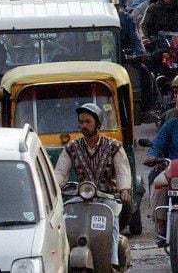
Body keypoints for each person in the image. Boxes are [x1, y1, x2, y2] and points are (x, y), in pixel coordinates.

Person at [54, 103, 132, 268]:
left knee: (113, 220)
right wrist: (55, 187)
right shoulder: (71, 147)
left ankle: (113, 262)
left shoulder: (114, 146)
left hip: (108, 197)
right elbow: (61, 172)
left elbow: (122, 170)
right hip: (81, 198)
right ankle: (63, 260)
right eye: (81, 122)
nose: (83, 125)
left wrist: (124, 189)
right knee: (63, 221)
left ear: (98, 124)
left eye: (88, 122)